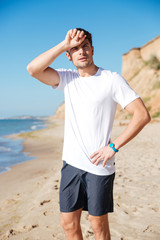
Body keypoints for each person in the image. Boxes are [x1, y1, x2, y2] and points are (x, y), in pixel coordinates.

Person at [27, 28, 151, 240]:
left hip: (99, 166)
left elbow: (141, 115)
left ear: (92, 50)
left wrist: (113, 146)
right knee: (68, 224)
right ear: (69, 54)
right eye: (75, 49)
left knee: (97, 225)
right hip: (71, 165)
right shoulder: (67, 79)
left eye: (85, 46)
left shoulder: (111, 79)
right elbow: (33, 69)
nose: (81, 51)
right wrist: (63, 44)